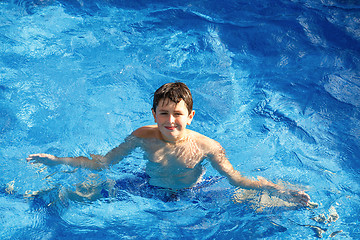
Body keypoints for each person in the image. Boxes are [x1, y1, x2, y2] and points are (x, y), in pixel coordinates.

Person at [27, 82, 310, 205]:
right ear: (154, 114)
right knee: (79, 192)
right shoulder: (142, 135)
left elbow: (236, 179)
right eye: (163, 113)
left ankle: (295, 202)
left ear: (190, 116)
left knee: (246, 201)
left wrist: (277, 189)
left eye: (178, 114)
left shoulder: (208, 146)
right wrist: (58, 160)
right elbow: (103, 163)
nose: (170, 120)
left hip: (194, 190)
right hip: (147, 185)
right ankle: (34, 196)